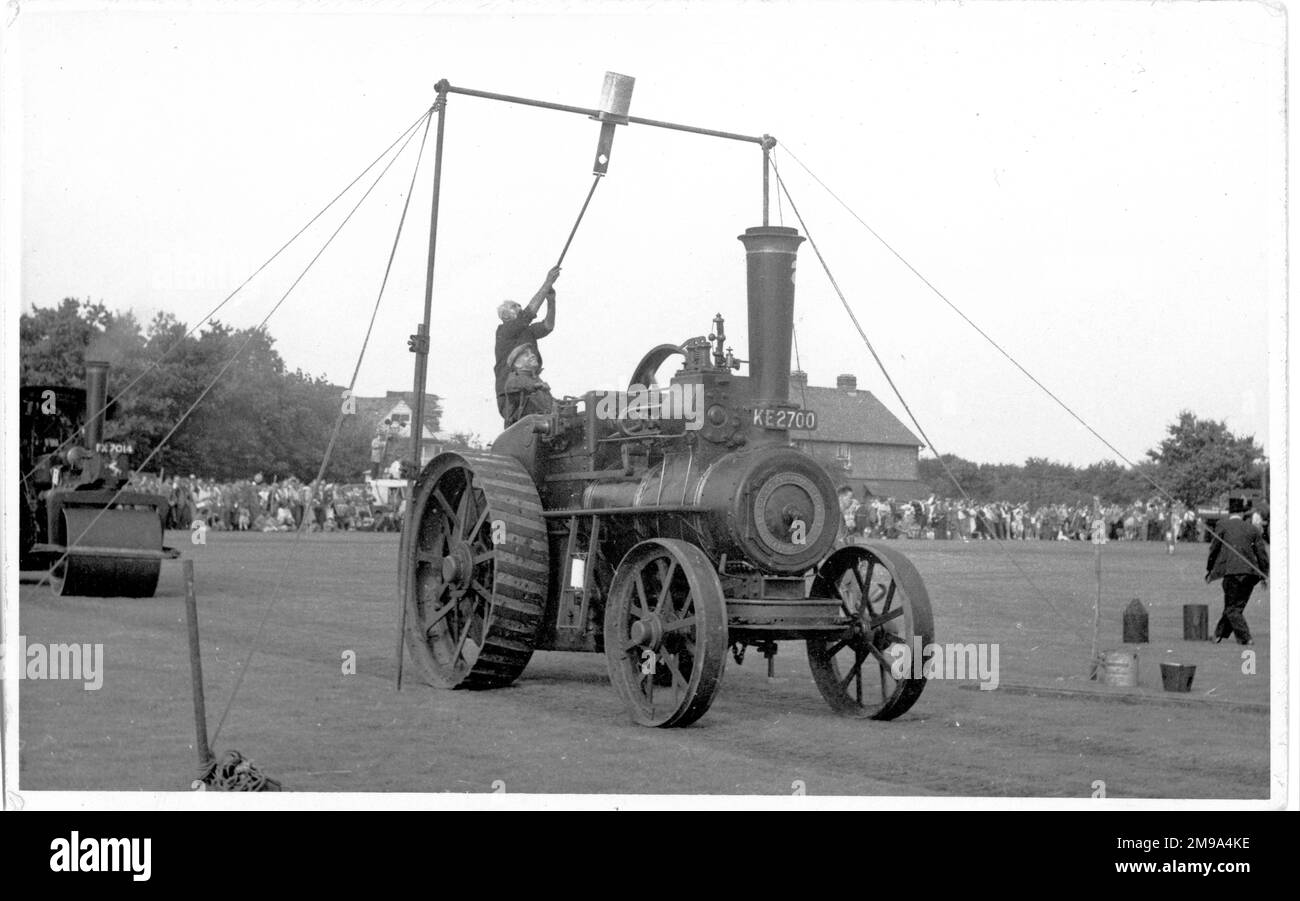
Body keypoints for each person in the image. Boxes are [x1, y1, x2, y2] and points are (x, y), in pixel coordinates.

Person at [495, 265, 561, 419]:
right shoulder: (504, 331)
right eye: (514, 306)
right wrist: (547, 284)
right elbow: (529, 313)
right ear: (505, 316)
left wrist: (551, 301)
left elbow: (548, 326)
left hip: (530, 388)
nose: (519, 307)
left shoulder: (526, 331)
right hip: (512, 396)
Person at [1205, 498, 1269, 645]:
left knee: (1232, 608)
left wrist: (1210, 569)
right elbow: (1261, 554)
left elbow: (1214, 549)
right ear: (1242, 512)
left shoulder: (1222, 525)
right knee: (1235, 607)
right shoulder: (1252, 528)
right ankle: (1218, 635)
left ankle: (1246, 638)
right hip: (1250, 575)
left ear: (1229, 511)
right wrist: (1264, 575)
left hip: (1232, 572)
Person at [501, 345, 556, 427]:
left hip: (541, 428)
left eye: (532, 353)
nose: (533, 355)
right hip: (521, 434)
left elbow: (551, 404)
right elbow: (514, 385)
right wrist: (535, 385)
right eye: (527, 355)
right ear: (518, 364)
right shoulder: (514, 378)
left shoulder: (536, 380)